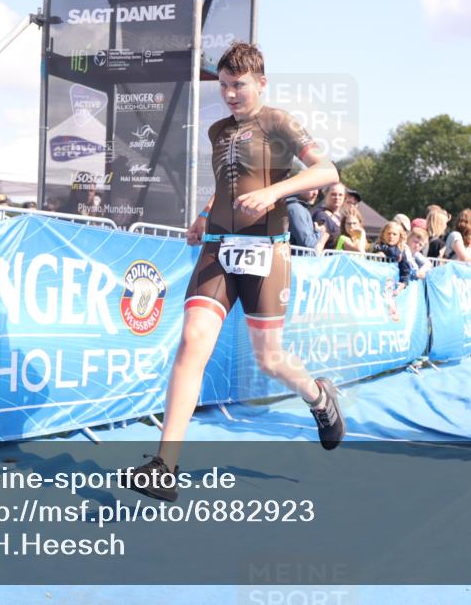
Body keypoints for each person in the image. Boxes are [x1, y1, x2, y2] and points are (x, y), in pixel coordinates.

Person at [126, 42, 344, 502]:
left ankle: (319, 397)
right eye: (223, 85)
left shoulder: (279, 122)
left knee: (269, 358)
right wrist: (207, 213)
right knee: (191, 343)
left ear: (261, 83)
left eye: (238, 85)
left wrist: (273, 194)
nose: (229, 93)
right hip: (218, 247)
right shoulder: (217, 130)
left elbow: (327, 172)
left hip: (266, 250)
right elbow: (228, 183)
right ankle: (165, 466)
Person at [286, 188, 328, 255]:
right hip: (299, 262)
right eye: (312, 188)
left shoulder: (299, 208)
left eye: (317, 189)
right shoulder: (296, 209)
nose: (316, 193)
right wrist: (319, 232)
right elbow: (307, 243)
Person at [371, 221, 409, 286]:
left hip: (392, 283)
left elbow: (405, 270)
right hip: (377, 281)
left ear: (400, 236)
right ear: (383, 234)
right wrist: (376, 256)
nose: (391, 236)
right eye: (389, 233)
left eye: (394, 234)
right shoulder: (378, 246)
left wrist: (404, 283)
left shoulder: (401, 250)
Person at [311, 183, 346, 249]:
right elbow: (320, 243)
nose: (337, 197)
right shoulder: (322, 215)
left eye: (340, 195)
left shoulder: (342, 217)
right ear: (326, 195)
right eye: (333, 194)